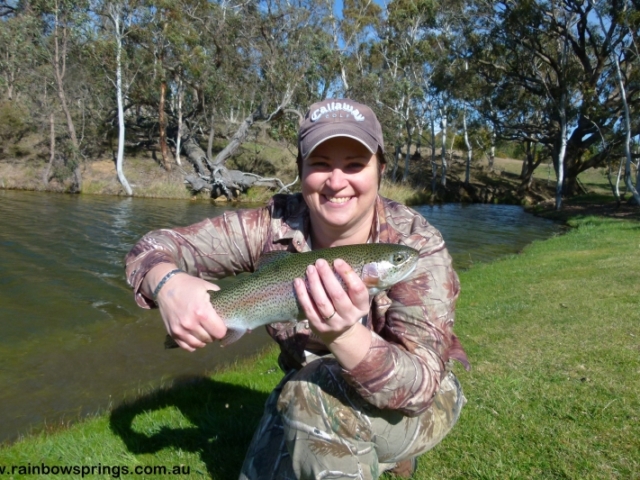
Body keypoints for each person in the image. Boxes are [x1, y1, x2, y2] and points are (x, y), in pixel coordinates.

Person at [125, 99, 469, 479]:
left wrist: (342, 333)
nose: (336, 181)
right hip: (307, 387)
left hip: (417, 401)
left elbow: (419, 388)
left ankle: (391, 450)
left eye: (354, 165)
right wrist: (168, 284)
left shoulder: (415, 245)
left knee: (312, 394)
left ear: (380, 170)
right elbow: (151, 248)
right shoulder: (272, 224)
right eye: (320, 164)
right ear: (300, 170)